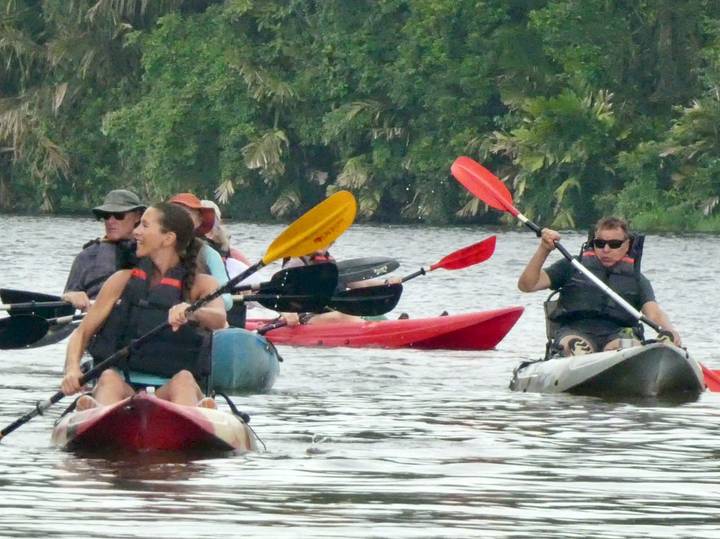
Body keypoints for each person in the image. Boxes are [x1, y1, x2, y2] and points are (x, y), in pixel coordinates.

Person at [61, 202, 227, 410]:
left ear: (168, 238)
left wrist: (192, 312)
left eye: (145, 226)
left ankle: (193, 417)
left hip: (173, 386)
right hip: (124, 384)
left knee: (184, 380)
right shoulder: (121, 280)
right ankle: (100, 415)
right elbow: (82, 333)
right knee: (108, 377)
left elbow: (219, 319)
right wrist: (72, 369)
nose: (136, 231)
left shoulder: (202, 284)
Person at [517, 216, 681, 356]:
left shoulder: (637, 279)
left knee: (628, 345)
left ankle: (619, 358)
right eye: (600, 243)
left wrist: (669, 331)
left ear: (628, 244)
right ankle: (578, 353)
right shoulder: (572, 266)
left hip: (618, 334)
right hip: (575, 331)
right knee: (572, 344)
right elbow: (527, 285)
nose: (606, 249)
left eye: (614, 244)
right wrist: (544, 249)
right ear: (592, 242)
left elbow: (654, 313)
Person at [62, 189, 146, 310]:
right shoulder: (86, 256)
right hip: (93, 320)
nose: (111, 221)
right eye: (106, 216)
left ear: (137, 216)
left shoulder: (151, 252)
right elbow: (64, 301)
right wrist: (70, 296)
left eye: (119, 215)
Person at [280, 248, 402, 326]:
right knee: (342, 316)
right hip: (307, 318)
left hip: (342, 314)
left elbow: (362, 284)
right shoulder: (296, 263)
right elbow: (280, 294)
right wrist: (287, 314)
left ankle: (392, 325)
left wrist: (388, 282)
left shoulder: (330, 262)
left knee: (373, 312)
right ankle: (382, 329)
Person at [169, 193, 233, 312]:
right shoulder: (152, 249)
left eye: (186, 215)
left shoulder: (209, 254)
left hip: (196, 322)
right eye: (174, 215)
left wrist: (195, 307)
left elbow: (227, 300)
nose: (179, 221)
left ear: (198, 221)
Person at [200, 199, 252, 266]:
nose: (206, 223)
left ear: (218, 222)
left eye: (210, 219)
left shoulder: (233, 254)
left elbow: (253, 274)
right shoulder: (190, 250)